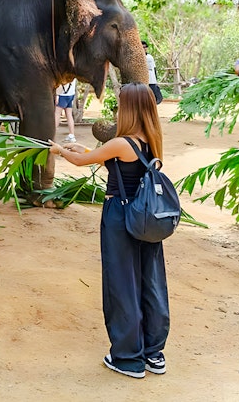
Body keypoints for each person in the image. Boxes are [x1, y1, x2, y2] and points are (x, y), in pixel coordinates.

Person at [50, 83, 169, 379]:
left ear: (129, 108)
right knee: (149, 281)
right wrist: (87, 150)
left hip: (121, 216)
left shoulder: (121, 142)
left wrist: (60, 149)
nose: (117, 107)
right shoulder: (151, 139)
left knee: (121, 283)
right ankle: (153, 352)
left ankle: (128, 358)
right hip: (146, 216)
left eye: (120, 103)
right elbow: (121, 167)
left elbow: (80, 161)